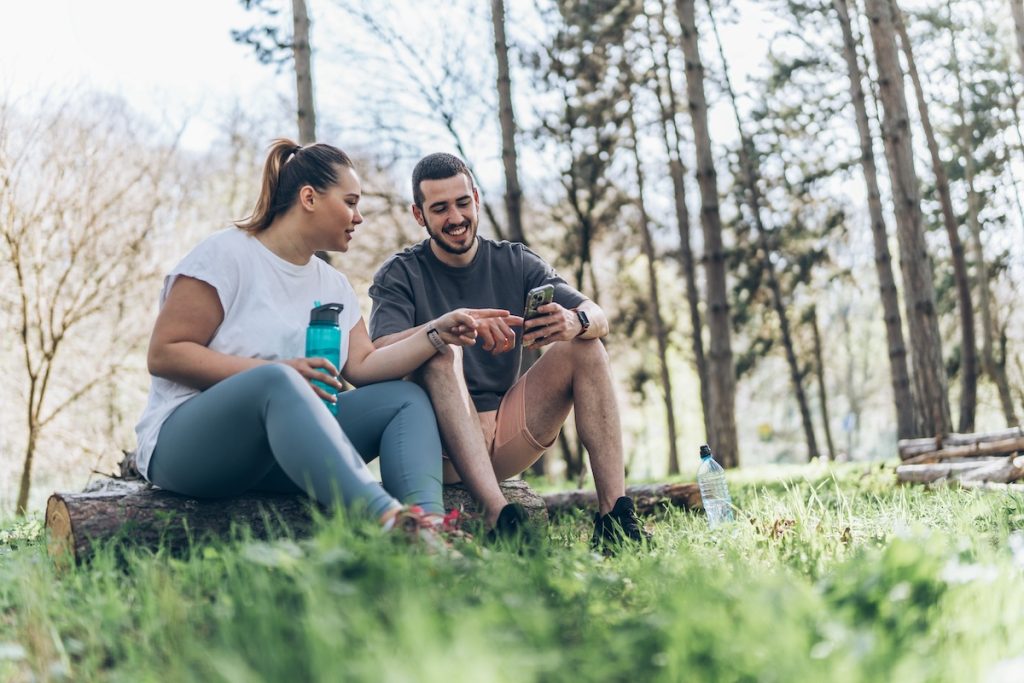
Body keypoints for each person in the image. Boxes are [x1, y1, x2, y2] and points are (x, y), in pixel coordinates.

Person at [134, 139, 507, 538]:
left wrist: (437, 332)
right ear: (309, 198)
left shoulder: (334, 285)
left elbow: (364, 367)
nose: (359, 217)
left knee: (406, 399)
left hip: (283, 456)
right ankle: (389, 522)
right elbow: (165, 354)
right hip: (189, 450)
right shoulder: (226, 254)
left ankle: (430, 531)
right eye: (350, 202)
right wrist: (278, 371)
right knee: (277, 381)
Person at [369, 152, 650, 549]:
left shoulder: (514, 260)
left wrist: (576, 322)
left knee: (586, 347)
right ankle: (499, 514)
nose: (456, 217)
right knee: (439, 350)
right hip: (441, 448)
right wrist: (445, 328)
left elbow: (597, 314)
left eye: (463, 202)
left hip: (507, 432)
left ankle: (615, 520)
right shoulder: (399, 274)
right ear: (419, 215)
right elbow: (378, 354)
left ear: (477, 199)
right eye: (440, 208)